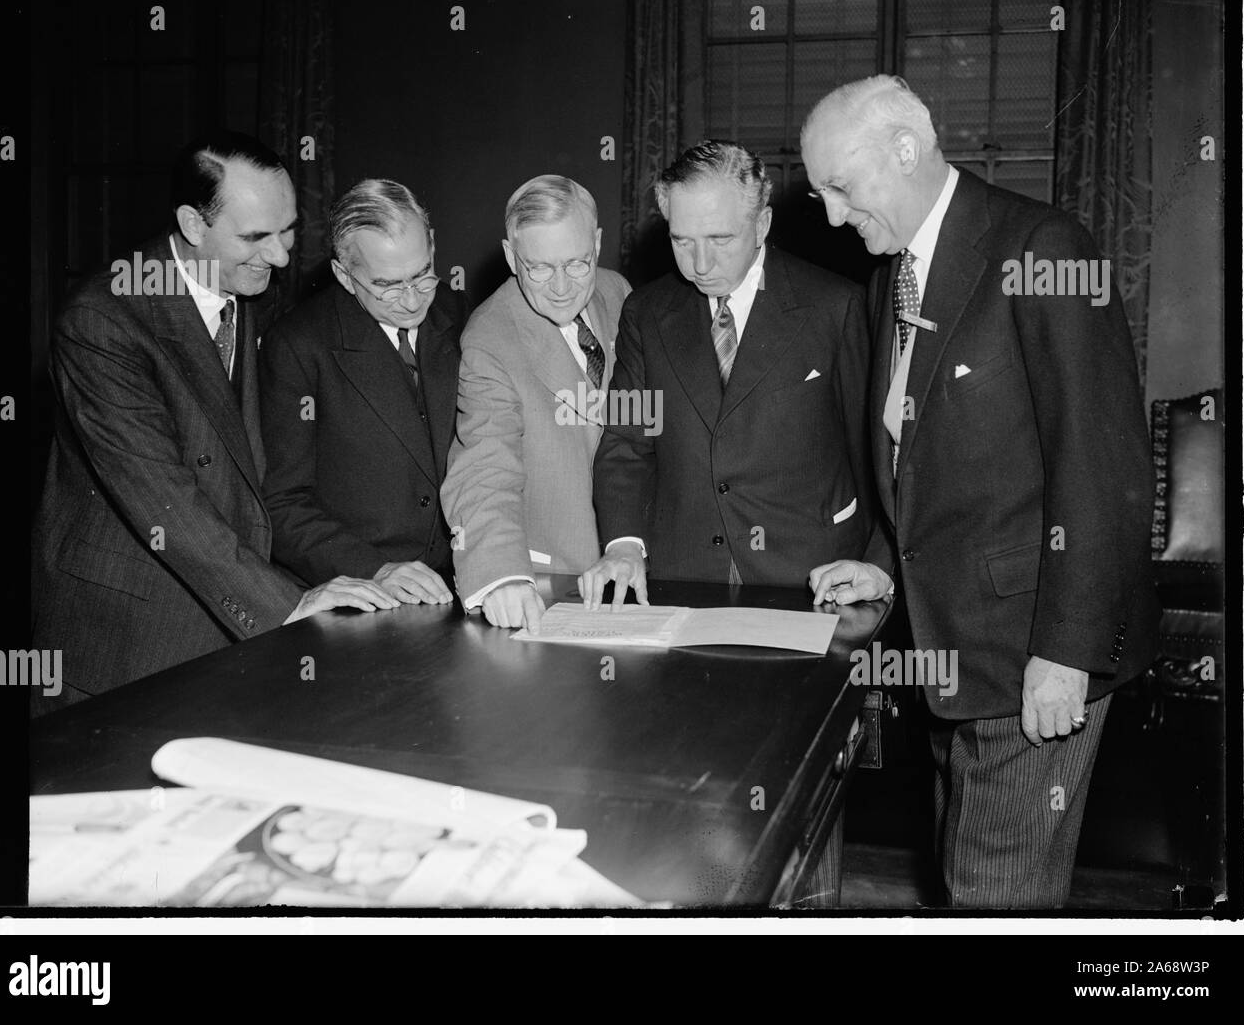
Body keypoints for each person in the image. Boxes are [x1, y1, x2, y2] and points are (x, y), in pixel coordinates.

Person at [799, 74, 1160, 908]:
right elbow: (921, 458)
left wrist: (1065, 655)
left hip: (1035, 645)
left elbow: (1102, 467)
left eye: (841, 188)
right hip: (952, 652)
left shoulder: (1045, 248)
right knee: (972, 876)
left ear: (907, 148)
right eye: (818, 193)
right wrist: (884, 562)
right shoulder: (890, 277)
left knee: (995, 895)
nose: (829, 216)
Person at [30, 132, 395, 705]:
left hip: (232, 623)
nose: (279, 257)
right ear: (193, 226)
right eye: (255, 237)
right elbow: (160, 498)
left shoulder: (250, 286)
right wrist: (290, 604)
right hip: (131, 636)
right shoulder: (105, 320)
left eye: (290, 230)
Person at [582, 139, 887, 607]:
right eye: (682, 241)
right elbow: (627, 442)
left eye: (720, 239)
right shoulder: (645, 312)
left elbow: (874, 454)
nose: (700, 265)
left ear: (761, 224)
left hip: (815, 579)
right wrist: (624, 545)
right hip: (685, 577)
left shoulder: (837, 307)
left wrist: (878, 563)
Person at [441, 174, 631, 631]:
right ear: (510, 256)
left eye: (577, 263)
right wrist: (501, 576)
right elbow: (485, 464)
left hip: (629, 568)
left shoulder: (617, 292)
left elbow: (635, 419)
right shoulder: (490, 338)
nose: (562, 287)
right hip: (548, 584)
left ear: (598, 244)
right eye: (539, 268)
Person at [259, 179, 463, 604]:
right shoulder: (298, 346)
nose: (412, 301)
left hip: (452, 583)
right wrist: (374, 569)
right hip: (359, 591)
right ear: (345, 276)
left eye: (422, 274)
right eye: (388, 285)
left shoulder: (454, 311)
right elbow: (281, 502)